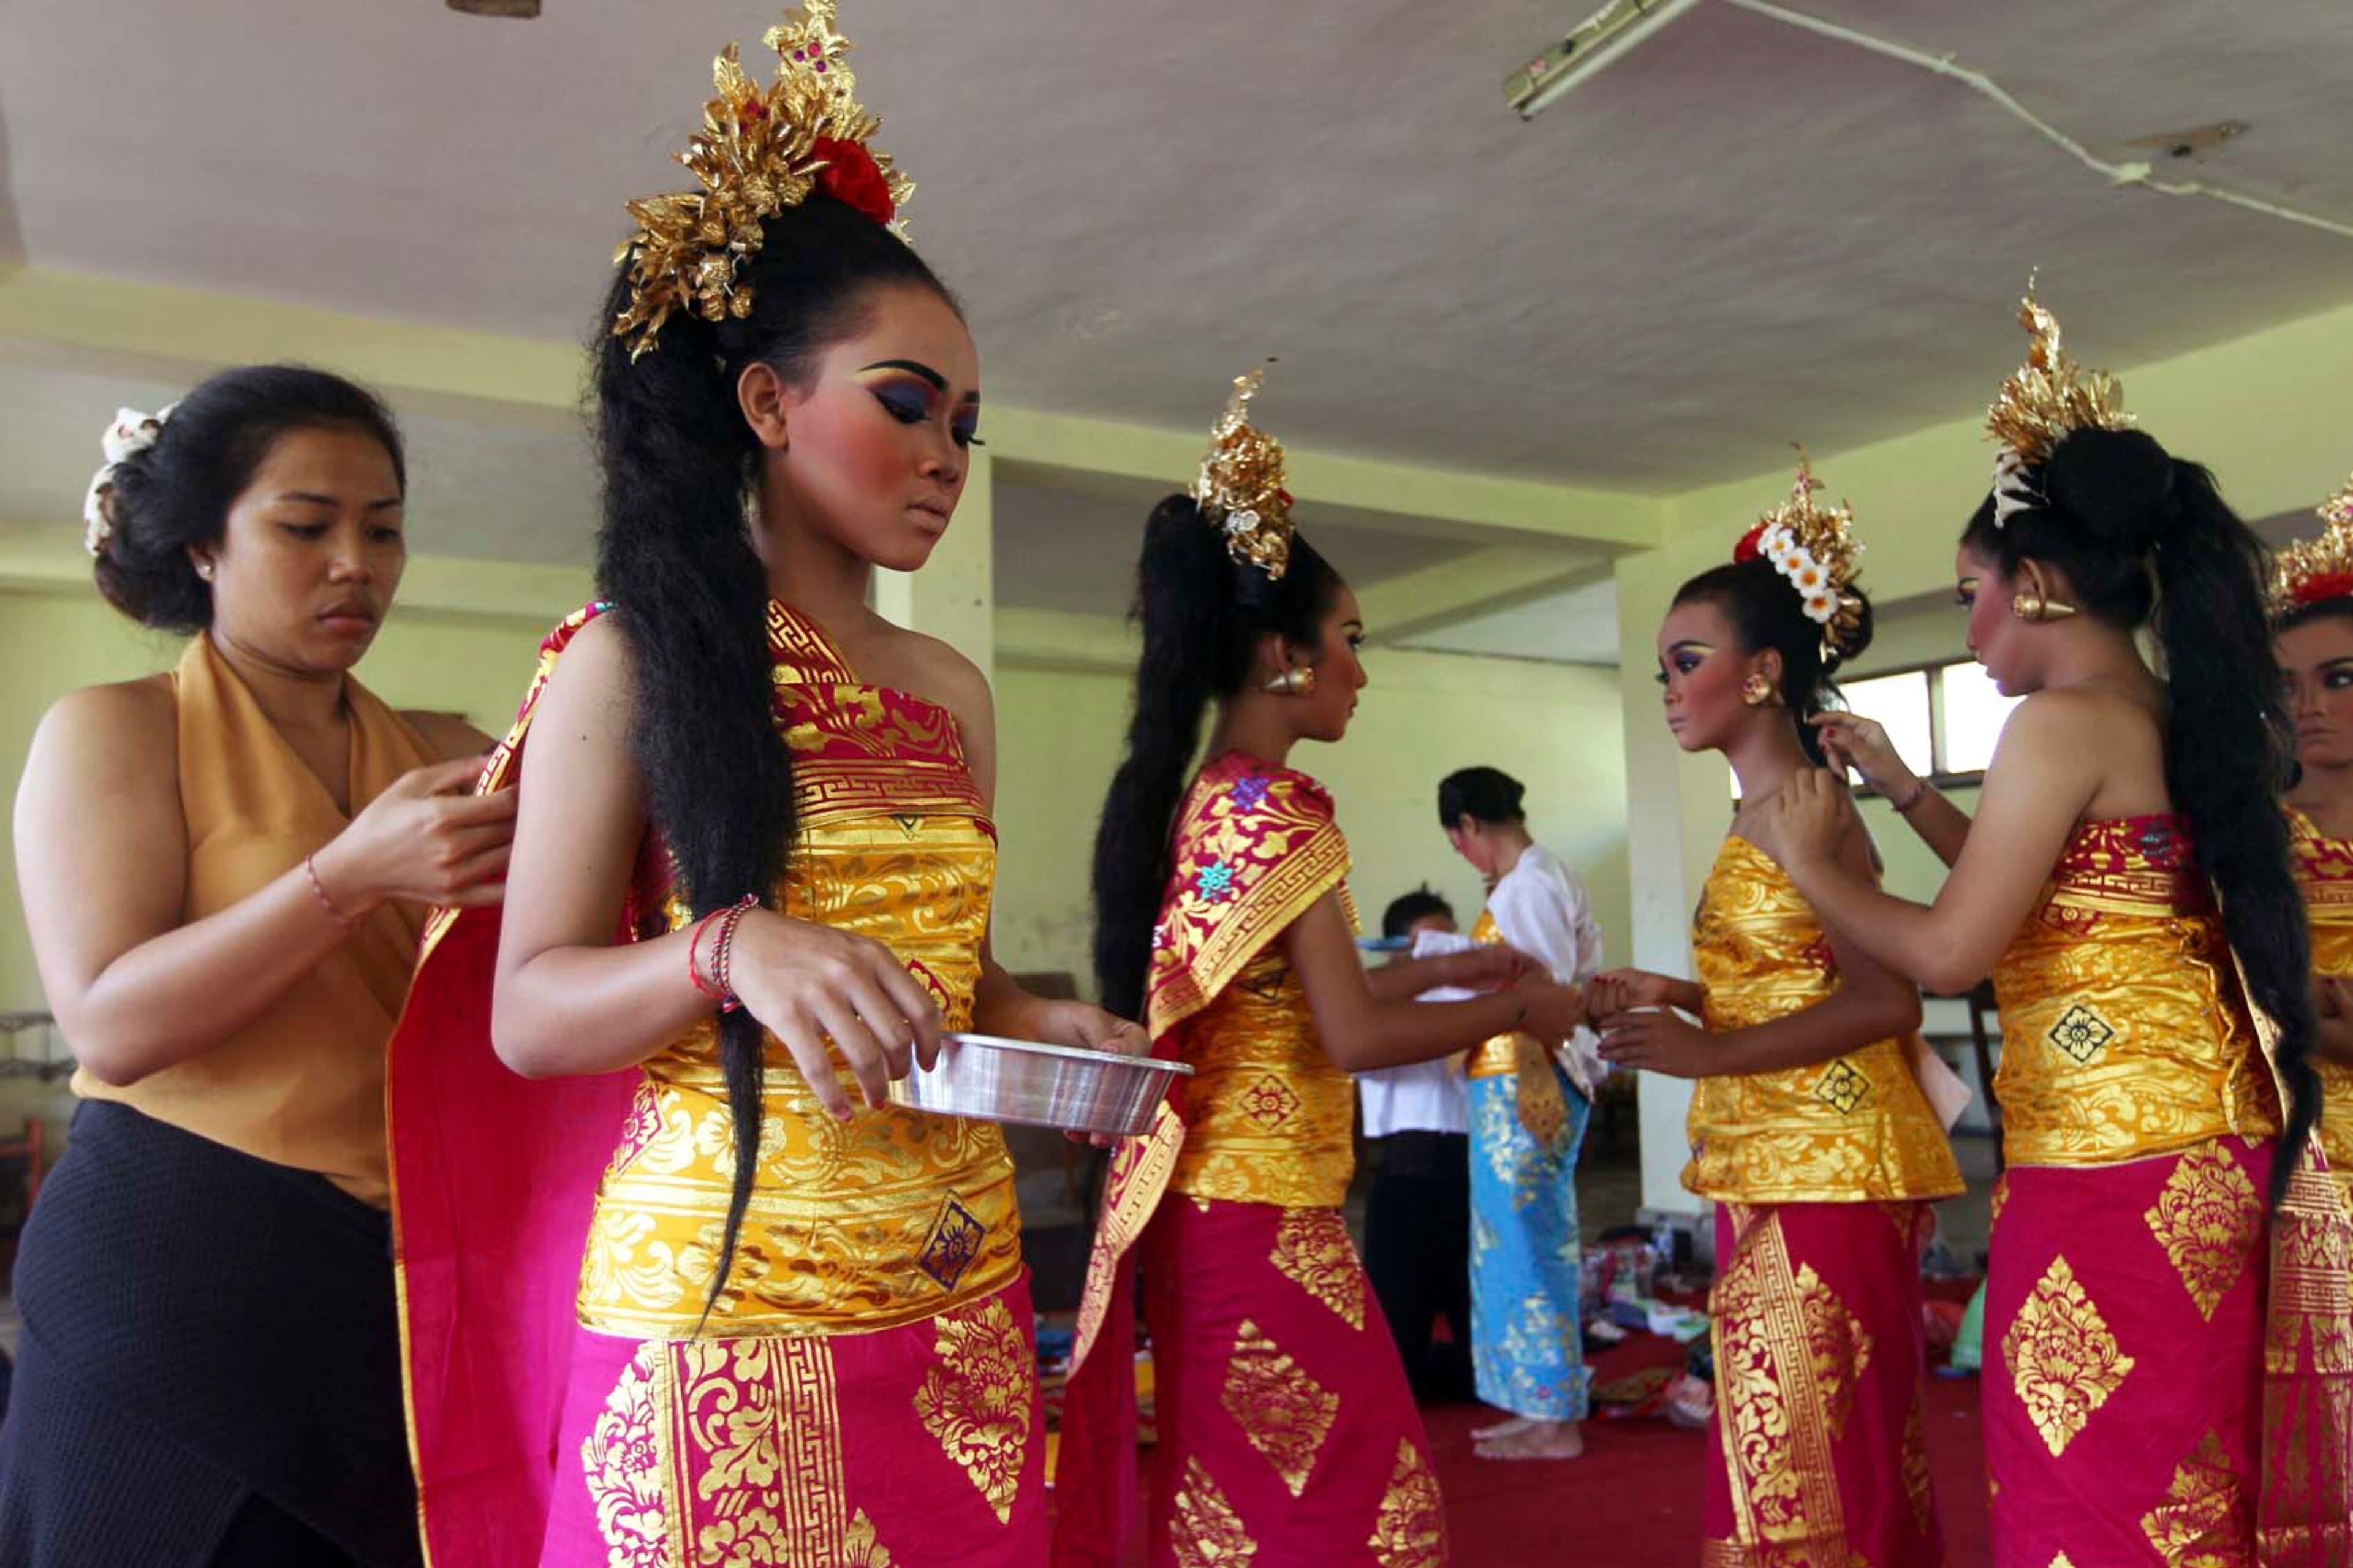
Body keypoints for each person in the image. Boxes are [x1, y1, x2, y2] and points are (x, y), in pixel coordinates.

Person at [385, 10, 1143, 1564]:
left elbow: (931, 969)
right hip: (722, 1316)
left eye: (966, 425)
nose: (947, 453)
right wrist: (725, 946)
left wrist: (1033, 1013)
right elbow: (528, 1012)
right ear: (762, 403)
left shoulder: (951, 693)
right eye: (907, 400)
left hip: (960, 1292)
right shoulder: (637, 658)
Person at [1762, 292, 2352, 1564]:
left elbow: (1949, 953)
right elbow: (2055, 912)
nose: (1968, 625)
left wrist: (1813, 857)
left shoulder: (2060, 721)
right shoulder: (2162, 710)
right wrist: (1910, 790)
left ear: (2035, 582)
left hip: (2109, 1171)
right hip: (2198, 1154)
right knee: (2181, 1480)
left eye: (1974, 590)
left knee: (2094, 1493)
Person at [1053, 369, 1586, 1567]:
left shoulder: (1207, 800)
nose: (1360, 668)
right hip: (1264, 1218)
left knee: (1244, 1506)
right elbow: (1349, 1035)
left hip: (1214, 1212)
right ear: (1285, 654)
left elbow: (1307, 998)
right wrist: (1517, 1002)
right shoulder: (1285, 810)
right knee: (1358, 1513)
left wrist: (1457, 978)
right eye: (1350, 640)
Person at [2, 368, 507, 1566]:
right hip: (175, 1263)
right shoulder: (114, 728)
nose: (357, 563)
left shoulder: (453, 753)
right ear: (203, 546)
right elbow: (111, 1024)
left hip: (390, 1284)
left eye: (382, 528)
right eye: (305, 526)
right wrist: (349, 872)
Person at [1591, 452, 1961, 1564]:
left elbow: (1885, 994)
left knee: (1807, 1447)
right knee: (1789, 1440)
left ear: (1760, 672)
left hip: (1830, 1166)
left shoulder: (1807, 805)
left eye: (1686, 661)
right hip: (1774, 1160)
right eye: (1662, 665)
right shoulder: (1764, 806)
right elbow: (1799, 977)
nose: (1667, 686)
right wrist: (1689, 997)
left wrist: (1712, 1050)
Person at [1434, 765, 1607, 1461]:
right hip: (1505, 1081)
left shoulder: (1531, 883)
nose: (1462, 853)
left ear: (1470, 826)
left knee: (1530, 1244)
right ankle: (1531, 1402)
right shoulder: (1528, 880)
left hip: (1527, 1079)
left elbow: (1545, 992)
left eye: (1457, 840)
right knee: (1507, 1244)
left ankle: (1555, 1414)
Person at [1355, 888, 1477, 1404]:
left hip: (1473, 1180)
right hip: (1407, 1183)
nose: (1443, 958)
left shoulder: (1476, 1001)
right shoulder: (1371, 1007)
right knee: (1396, 1370)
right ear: (1400, 952)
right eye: (1429, 947)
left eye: (1449, 943)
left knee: (1485, 1367)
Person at [2272, 472, 2353, 1211]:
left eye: (2341, 678)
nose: (2310, 707)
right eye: (2289, 685)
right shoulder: (2254, 833)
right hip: (2297, 1143)